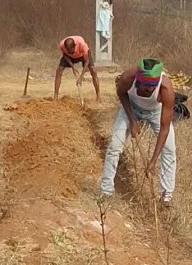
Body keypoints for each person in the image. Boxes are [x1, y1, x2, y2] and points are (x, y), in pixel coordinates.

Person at [100, 58, 176, 204]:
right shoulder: (127, 78)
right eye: (144, 86)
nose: (148, 90)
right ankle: (106, 191)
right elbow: (122, 94)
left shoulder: (166, 89)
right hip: (131, 108)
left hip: (155, 112)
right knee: (115, 146)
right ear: (138, 80)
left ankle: (166, 197)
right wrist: (132, 120)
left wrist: (153, 161)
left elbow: (164, 128)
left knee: (169, 150)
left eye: (151, 87)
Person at [54, 35, 100, 102]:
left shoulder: (82, 44)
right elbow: (65, 55)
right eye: (68, 51)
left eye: (71, 51)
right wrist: (73, 67)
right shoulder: (62, 45)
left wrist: (81, 77)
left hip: (82, 55)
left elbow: (87, 61)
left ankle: (98, 96)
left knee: (93, 70)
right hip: (69, 58)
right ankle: (55, 96)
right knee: (59, 70)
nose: (70, 52)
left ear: (75, 46)